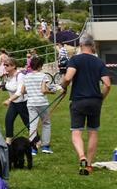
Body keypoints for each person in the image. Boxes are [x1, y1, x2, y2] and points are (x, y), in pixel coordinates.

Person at [61, 34, 111, 176]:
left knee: (77, 131)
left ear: (81, 45)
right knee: (93, 131)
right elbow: (107, 84)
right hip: (95, 101)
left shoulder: (75, 60)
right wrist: (101, 98)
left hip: (78, 100)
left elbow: (68, 77)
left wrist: (64, 86)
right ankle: (89, 164)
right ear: (92, 46)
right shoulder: (99, 62)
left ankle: (81, 156)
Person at [22, 55, 55, 155]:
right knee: (46, 123)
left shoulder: (26, 76)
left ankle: (33, 148)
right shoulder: (43, 76)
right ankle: (46, 146)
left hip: (31, 103)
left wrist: (32, 92)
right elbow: (43, 90)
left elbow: (23, 91)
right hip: (42, 103)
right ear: (40, 66)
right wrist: (51, 92)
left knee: (33, 125)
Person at [2, 57, 29, 143]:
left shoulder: (20, 76)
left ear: (13, 66)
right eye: (4, 65)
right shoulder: (8, 76)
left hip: (22, 103)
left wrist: (9, 100)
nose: (5, 67)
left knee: (27, 122)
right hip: (14, 103)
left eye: (7, 65)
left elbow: (19, 92)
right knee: (8, 120)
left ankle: (37, 141)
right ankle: (8, 140)